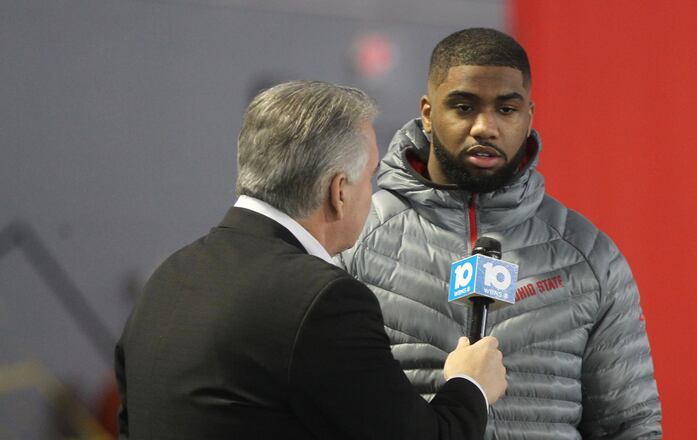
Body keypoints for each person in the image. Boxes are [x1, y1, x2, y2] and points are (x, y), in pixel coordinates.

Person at [114, 80, 508, 439]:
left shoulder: (167, 278)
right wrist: (470, 385)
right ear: (339, 191)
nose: (372, 194)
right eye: (370, 176)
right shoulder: (323, 301)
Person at [338, 28, 663, 439]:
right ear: (427, 112)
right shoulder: (354, 240)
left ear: (529, 117)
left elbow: (629, 426)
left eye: (506, 110)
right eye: (463, 106)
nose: (484, 128)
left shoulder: (589, 255)